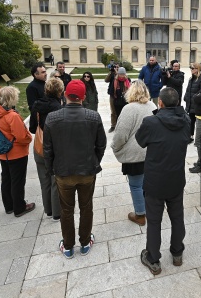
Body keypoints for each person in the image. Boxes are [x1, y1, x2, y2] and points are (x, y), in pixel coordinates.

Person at [44, 80, 106, 259]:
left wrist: (51, 170)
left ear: (65, 95)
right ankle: (85, 242)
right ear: (83, 98)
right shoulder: (93, 116)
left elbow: (47, 149)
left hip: (64, 173)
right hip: (86, 172)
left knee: (66, 210)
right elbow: (101, 145)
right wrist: (93, 162)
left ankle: (69, 245)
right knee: (86, 208)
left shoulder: (52, 118)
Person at [135, 87, 190, 275]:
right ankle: (177, 253)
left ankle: (153, 258)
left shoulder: (151, 122)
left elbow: (140, 140)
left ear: (160, 103)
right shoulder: (186, 120)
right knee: (177, 218)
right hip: (175, 179)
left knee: (154, 221)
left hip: (155, 181)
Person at [111, 80, 156, 226]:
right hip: (151, 152)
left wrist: (115, 147)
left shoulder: (129, 109)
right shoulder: (153, 105)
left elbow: (120, 134)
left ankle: (140, 215)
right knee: (147, 183)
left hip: (135, 154)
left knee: (136, 185)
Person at [0, 86, 35, 217]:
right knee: (18, 181)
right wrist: (29, 138)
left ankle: (9, 206)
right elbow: (22, 136)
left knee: (7, 179)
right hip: (17, 153)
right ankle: (19, 207)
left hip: (3, 153)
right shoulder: (12, 116)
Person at [29, 78, 63, 221]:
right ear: (60, 91)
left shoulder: (37, 105)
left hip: (40, 148)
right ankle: (57, 213)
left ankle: (48, 210)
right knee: (55, 181)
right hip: (55, 150)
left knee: (44, 181)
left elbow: (31, 128)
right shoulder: (59, 109)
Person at [183, 62, 201, 143]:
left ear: (197, 69)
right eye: (190, 68)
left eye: (193, 68)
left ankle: (198, 139)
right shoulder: (191, 79)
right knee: (190, 121)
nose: (191, 69)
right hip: (190, 104)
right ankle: (190, 136)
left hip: (197, 105)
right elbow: (188, 90)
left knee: (197, 123)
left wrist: (195, 99)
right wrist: (185, 97)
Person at [105, 64, 119, 132]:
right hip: (112, 95)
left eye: (117, 67)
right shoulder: (112, 74)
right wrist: (110, 72)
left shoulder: (122, 75)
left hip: (120, 96)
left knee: (120, 111)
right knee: (113, 111)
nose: (116, 68)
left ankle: (119, 125)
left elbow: (120, 79)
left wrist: (117, 73)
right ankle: (113, 125)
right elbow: (106, 80)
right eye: (115, 67)